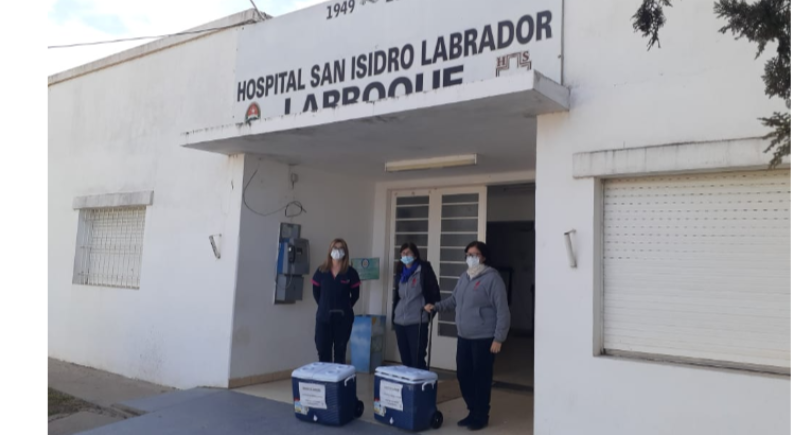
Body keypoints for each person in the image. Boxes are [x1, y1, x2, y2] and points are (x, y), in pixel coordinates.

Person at [424, 241, 510, 431]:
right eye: (468, 254)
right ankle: (472, 410)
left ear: (483, 257)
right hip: (464, 337)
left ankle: (481, 415)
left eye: (475, 254)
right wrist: (436, 306)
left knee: (481, 378)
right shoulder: (464, 277)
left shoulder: (492, 279)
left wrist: (499, 338)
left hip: (484, 338)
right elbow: (454, 300)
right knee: (463, 375)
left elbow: (503, 311)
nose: (471, 258)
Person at [392, 242, 441, 370]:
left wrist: (428, 312)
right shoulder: (400, 272)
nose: (405, 255)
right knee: (405, 359)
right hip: (400, 321)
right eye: (403, 253)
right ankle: (408, 382)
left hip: (417, 321)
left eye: (408, 253)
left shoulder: (423, 270)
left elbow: (434, 293)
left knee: (417, 359)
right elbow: (398, 296)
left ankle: (420, 382)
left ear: (415, 255)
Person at [312, 239, 361, 364]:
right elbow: (316, 293)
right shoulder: (321, 271)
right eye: (335, 248)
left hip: (343, 318)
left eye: (341, 248)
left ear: (345, 252)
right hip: (324, 318)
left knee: (340, 352)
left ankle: (338, 376)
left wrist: (346, 307)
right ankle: (324, 375)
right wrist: (324, 305)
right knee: (323, 350)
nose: (337, 251)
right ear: (330, 250)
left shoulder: (351, 273)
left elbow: (355, 295)